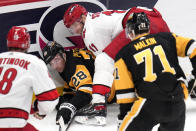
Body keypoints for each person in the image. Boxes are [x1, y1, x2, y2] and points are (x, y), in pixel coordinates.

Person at [63, 4, 170, 125]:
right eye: (71, 28)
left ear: (82, 17)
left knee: (103, 60)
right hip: (155, 22)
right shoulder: (94, 19)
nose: (75, 30)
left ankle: (98, 107)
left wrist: (100, 91)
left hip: (139, 23)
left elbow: (108, 62)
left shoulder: (91, 31)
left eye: (75, 25)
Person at [116, 12, 195, 131]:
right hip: (177, 102)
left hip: (150, 104)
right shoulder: (168, 38)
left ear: (131, 30)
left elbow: (125, 94)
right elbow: (193, 47)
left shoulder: (123, 54)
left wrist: (123, 117)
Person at [42, 41, 115, 126]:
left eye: (56, 60)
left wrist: (70, 107)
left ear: (63, 55)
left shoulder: (73, 64)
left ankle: (98, 109)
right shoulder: (68, 61)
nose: (55, 66)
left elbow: (87, 91)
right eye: (51, 63)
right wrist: (62, 103)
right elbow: (72, 86)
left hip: (114, 87)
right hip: (111, 80)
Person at [0, 26, 59, 131]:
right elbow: (50, 99)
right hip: (12, 123)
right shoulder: (33, 62)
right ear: (27, 44)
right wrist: (42, 112)